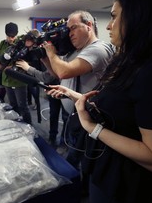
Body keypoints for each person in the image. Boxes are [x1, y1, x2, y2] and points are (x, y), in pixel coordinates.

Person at [46, 0, 152, 203]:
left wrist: (94, 129)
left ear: (138, 17)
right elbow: (111, 107)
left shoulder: (149, 71)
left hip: (124, 182)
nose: (108, 25)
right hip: (105, 167)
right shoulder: (126, 60)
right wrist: (73, 94)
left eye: (114, 16)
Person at [42, 10, 114, 164]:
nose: (69, 33)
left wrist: (51, 52)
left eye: (74, 28)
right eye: (68, 30)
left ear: (89, 25)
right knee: (74, 153)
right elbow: (56, 73)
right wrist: (44, 58)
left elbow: (63, 71)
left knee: (84, 159)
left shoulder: (98, 49)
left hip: (91, 117)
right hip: (74, 113)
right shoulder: (77, 51)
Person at [16, 29, 62, 146]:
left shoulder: (48, 51)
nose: (29, 50)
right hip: (50, 85)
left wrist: (28, 68)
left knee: (64, 114)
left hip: (60, 84)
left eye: (31, 47)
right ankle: (53, 137)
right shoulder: (33, 52)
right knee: (53, 113)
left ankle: (63, 142)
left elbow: (48, 76)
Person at [0, 22, 32, 124]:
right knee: (13, 105)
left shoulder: (22, 42)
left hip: (19, 79)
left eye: (13, 36)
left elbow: (28, 59)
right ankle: (18, 126)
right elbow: (1, 59)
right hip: (6, 79)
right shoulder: (2, 44)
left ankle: (30, 128)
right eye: (9, 36)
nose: (11, 39)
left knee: (23, 106)